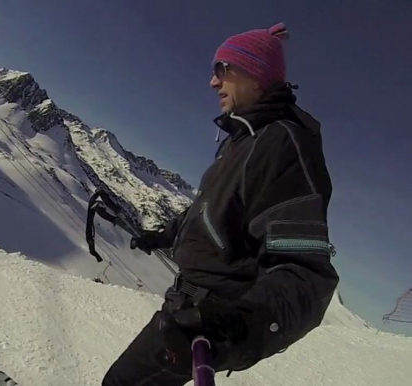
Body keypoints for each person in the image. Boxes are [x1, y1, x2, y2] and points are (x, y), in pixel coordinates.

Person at [102, 22, 340, 385]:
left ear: (257, 75)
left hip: (205, 325)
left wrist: (237, 325)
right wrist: (162, 235)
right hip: (185, 311)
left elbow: (304, 275)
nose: (213, 82)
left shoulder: (283, 147)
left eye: (222, 69)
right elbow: (209, 214)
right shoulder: (244, 140)